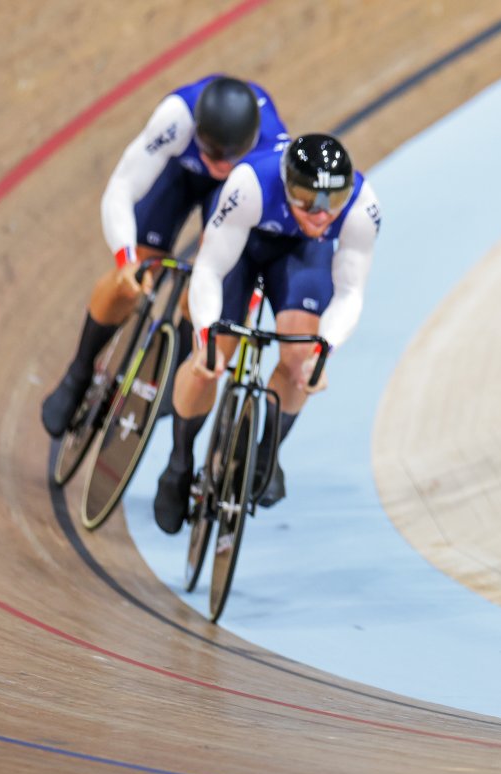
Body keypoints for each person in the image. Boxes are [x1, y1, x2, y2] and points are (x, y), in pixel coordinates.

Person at [151, 133, 381, 533]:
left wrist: (322, 351)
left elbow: (349, 293)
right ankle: (179, 462)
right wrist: (205, 335)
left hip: (299, 258)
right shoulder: (250, 184)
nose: (322, 213)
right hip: (240, 250)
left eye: (333, 200)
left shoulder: (363, 206)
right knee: (210, 362)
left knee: (299, 362)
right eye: (308, 198)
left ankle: (266, 452)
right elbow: (208, 270)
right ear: (287, 184)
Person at [41, 75, 288, 438]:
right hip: (179, 174)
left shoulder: (272, 154)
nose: (219, 163)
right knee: (135, 275)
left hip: (235, 195)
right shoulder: (176, 117)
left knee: (211, 280)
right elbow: (122, 187)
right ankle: (79, 371)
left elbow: (258, 244)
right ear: (197, 130)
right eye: (210, 150)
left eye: (228, 155)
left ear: (250, 143)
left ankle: (174, 377)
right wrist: (126, 258)